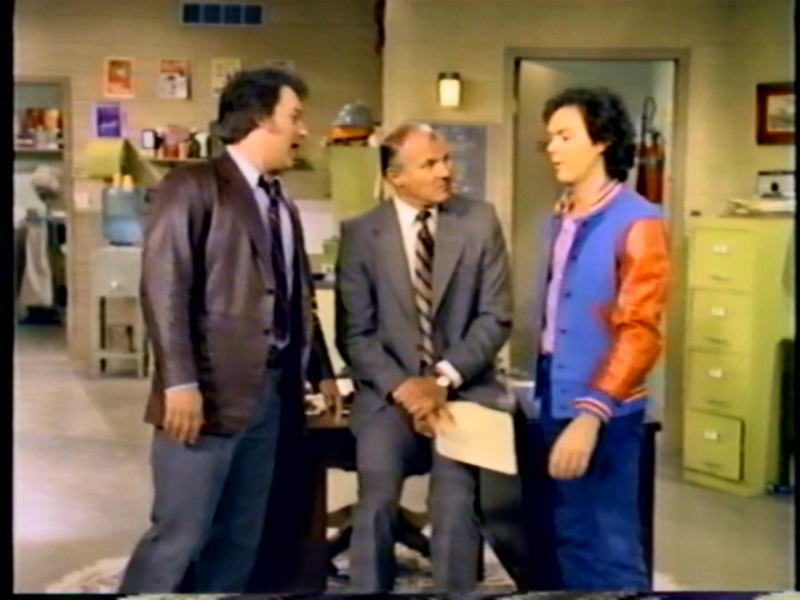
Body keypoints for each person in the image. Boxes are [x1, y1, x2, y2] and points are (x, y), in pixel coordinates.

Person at [119, 68, 338, 594]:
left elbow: (296, 296)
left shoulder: (281, 202)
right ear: (261, 118)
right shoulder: (192, 185)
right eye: (294, 117)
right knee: (180, 533)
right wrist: (179, 382)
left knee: (240, 535)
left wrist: (322, 370)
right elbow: (164, 287)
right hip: (207, 396)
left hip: (272, 395)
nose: (303, 130)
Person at [335, 123, 513, 593]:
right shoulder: (361, 233)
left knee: (453, 503)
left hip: (462, 389)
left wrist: (441, 380)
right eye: (430, 164)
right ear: (395, 177)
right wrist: (406, 389)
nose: (445, 171)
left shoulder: (479, 221)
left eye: (446, 160)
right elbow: (355, 335)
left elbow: (496, 317)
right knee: (376, 498)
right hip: (388, 395)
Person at [528, 87, 670, 590]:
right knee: (572, 536)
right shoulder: (563, 215)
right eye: (550, 137)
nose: (552, 148)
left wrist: (591, 415)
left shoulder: (639, 221)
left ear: (602, 141)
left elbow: (641, 333)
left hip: (604, 408)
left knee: (609, 545)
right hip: (554, 394)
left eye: (565, 136)